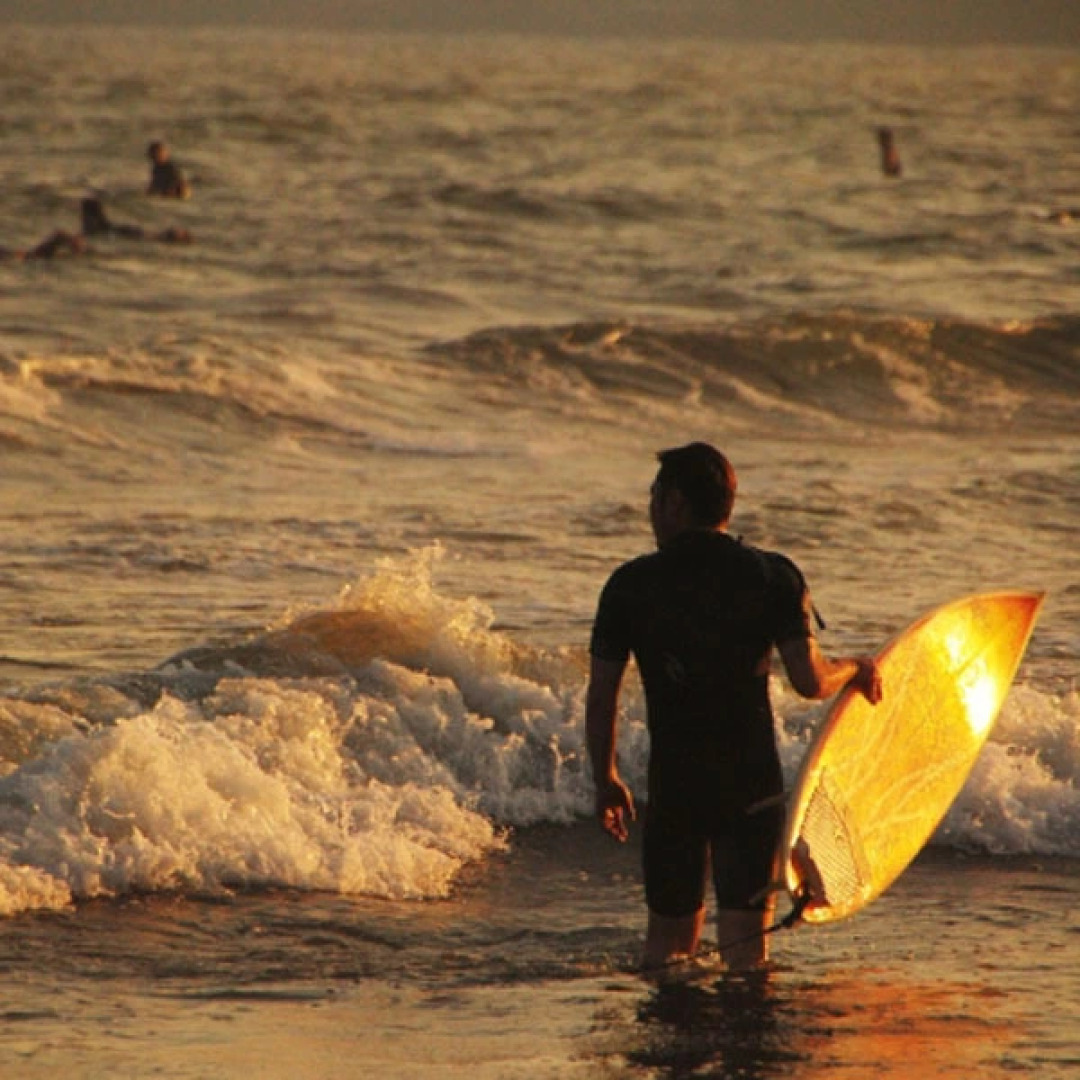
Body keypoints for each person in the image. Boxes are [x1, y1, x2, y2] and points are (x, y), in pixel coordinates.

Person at [586, 443, 882, 973]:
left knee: (667, 951)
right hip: (749, 783)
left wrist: (606, 776)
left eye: (654, 497)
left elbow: (603, 692)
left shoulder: (630, 585)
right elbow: (810, 680)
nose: (650, 509)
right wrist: (855, 669)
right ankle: (745, 1049)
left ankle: (671, 1048)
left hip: (676, 784)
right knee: (747, 953)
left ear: (675, 502)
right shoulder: (773, 576)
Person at [81, 197, 191, 243]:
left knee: (102, 228)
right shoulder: (159, 236)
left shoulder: (159, 239)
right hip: (127, 232)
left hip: (127, 233)